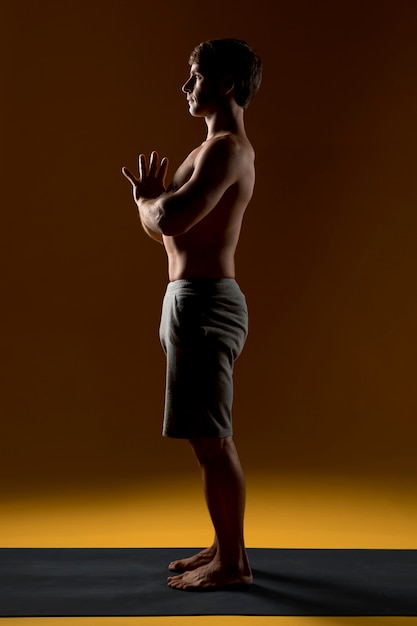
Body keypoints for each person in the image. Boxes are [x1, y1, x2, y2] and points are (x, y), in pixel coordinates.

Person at [122, 38, 262, 591]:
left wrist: (147, 203)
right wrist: (152, 206)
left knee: (213, 439)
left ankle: (234, 564)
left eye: (195, 76)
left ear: (226, 82)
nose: (186, 87)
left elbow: (171, 218)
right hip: (191, 301)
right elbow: (164, 221)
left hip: (204, 304)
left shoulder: (225, 149)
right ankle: (224, 546)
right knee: (208, 439)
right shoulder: (209, 149)